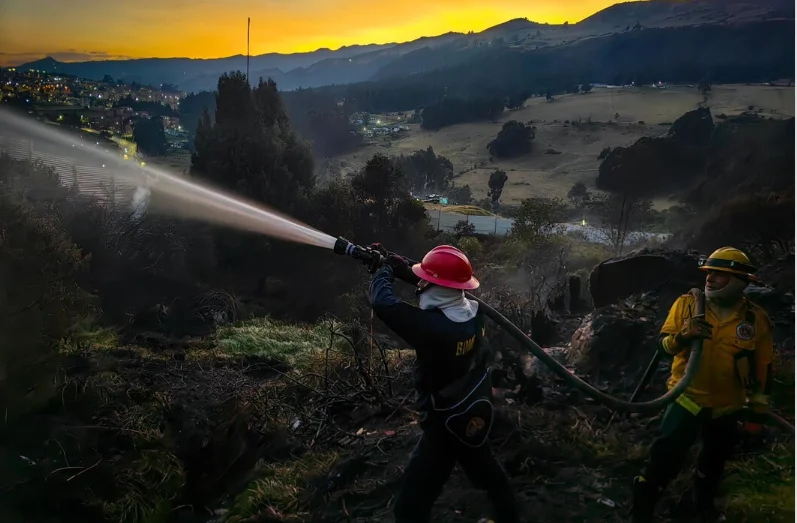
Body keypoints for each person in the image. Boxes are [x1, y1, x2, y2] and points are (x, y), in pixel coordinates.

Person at [367, 243, 518, 523]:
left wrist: (384, 271)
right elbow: (440, 283)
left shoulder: (432, 328)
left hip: (443, 426)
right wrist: (397, 262)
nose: (422, 283)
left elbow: (383, 303)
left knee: (411, 505)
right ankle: (510, 516)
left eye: (426, 280)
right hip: (474, 411)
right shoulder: (473, 312)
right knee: (489, 474)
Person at [632, 247, 774, 522]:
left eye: (720, 274)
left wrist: (756, 417)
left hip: (726, 406)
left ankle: (702, 508)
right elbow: (663, 347)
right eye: (709, 273)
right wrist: (683, 337)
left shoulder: (756, 320)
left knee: (713, 464)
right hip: (686, 398)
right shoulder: (687, 305)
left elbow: (763, 371)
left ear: (739, 281)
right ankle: (642, 510)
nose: (710, 279)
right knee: (664, 460)